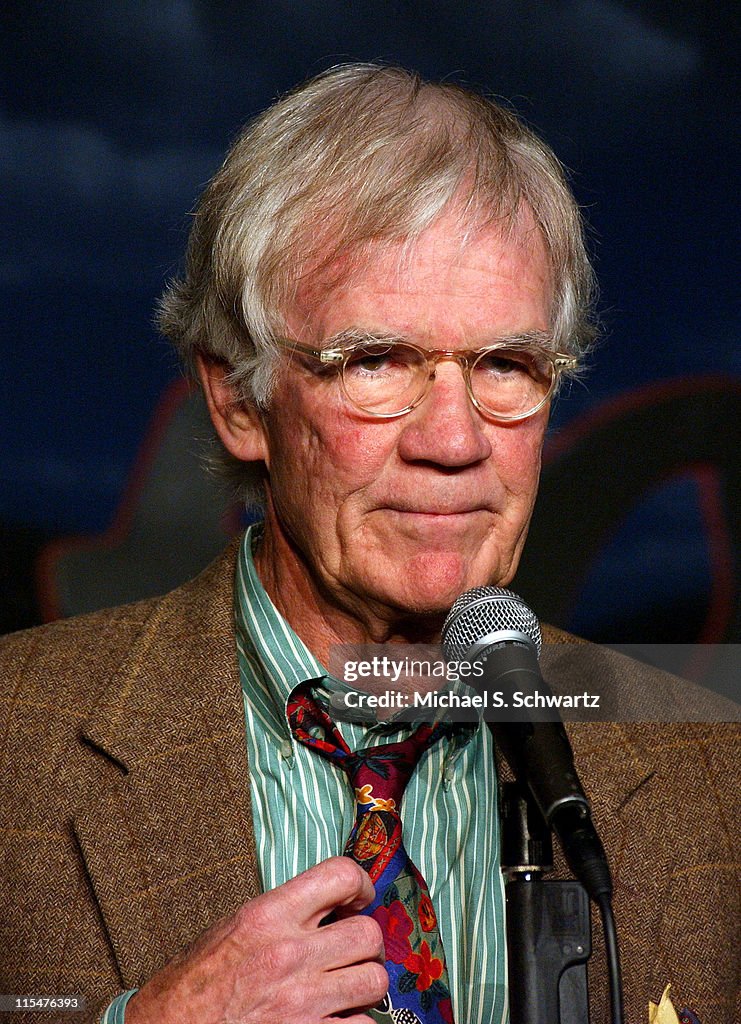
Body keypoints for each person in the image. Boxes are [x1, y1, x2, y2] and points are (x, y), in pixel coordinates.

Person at [1, 64, 738, 1024]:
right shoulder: (19, 738)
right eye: (377, 361)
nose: (456, 439)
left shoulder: (707, 771)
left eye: (506, 365)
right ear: (236, 398)